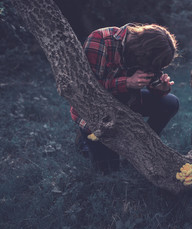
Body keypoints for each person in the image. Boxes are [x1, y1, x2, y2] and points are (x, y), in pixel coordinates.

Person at [70, 23, 179, 173]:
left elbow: (153, 79)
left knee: (170, 103)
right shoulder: (100, 40)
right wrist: (127, 82)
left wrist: (160, 88)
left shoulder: (143, 53)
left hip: (127, 104)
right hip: (96, 112)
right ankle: (84, 141)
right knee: (109, 171)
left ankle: (142, 146)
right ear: (142, 51)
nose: (153, 69)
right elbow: (85, 89)